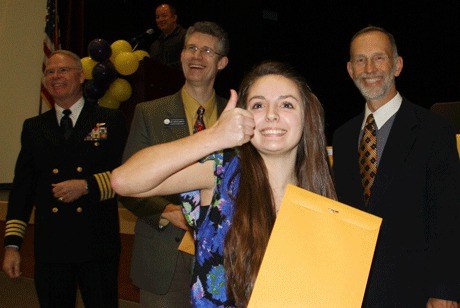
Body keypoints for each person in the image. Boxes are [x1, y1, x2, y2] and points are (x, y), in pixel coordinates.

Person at [112, 61, 337, 307]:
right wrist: (213, 136)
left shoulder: (319, 197)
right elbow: (124, 181)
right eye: (259, 105)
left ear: (306, 117)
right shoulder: (221, 171)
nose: (272, 114)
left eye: (286, 104)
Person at [332, 26, 460, 307]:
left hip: (416, 291)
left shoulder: (435, 131)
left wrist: (446, 290)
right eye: (360, 60)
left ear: (397, 65)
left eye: (379, 57)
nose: (369, 68)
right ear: (350, 70)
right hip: (354, 292)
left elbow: (449, 215)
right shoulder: (342, 137)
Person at [2, 50, 128, 307]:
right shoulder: (34, 127)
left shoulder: (109, 120)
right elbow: (23, 189)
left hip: (97, 243)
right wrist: (12, 245)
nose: (55, 76)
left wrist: (87, 186)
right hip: (52, 247)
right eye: (50, 71)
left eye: (63, 70)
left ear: (81, 76)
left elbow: (126, 174)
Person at [120, 21, 230, 308]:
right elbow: (126, 186)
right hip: (164, 252)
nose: (196, 56)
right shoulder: (149, 114)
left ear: (222, 62)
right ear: (181, 55)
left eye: (207, 51)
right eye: (190, 48)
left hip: (224, 258)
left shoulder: (237, 121)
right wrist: (168, 211)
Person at [149, 3, 186, 70]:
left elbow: (188, 62)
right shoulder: (155, 45)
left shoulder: (186, 36)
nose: (160, 20)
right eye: (157, 17)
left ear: (174, 17)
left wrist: (164, 69)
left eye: (164, 16)